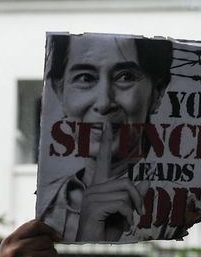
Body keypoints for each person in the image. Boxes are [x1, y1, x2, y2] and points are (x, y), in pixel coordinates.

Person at [37, 33, 173, 242]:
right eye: (85, 78)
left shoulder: (184, 205)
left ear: (157, 93)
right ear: (59, 90)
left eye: (125, 77)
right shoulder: (48, 209)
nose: (104, 102)